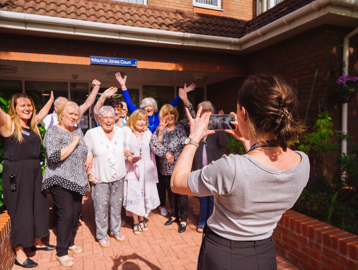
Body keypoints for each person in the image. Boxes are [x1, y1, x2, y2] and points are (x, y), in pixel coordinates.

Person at [171, 74, 310, 270]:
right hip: (265, 252)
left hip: (224, 254)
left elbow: (177, 182)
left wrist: (193, 137)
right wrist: (248, 142)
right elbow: (262, 173)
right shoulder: (302, 162)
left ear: (243, 114)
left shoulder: (231, 167)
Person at [0, 92, 55, 268]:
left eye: (29, 105)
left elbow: (42, 114)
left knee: (39, 207)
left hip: (34, 173)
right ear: (14, 108)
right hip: (16, 173)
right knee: (21, 212)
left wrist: (51, 101)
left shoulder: (32, 126)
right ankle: (19, 252)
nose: (27, 108)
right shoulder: (8, 123)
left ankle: (38, 241)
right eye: (22, 105)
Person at [42, 101, 88, 267]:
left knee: (75, 213)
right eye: (70, 114)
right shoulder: (53, 132)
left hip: (78, 179)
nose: (74, 117)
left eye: (76, 114)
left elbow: (84, 152)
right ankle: (61, 252)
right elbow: (53, 157)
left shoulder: (78, 131)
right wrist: (73, 142)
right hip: (59, 178)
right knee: (66, 213)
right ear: (61, 115)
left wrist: (88, 163)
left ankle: (70, 242)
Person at [150, 88, 195, 233]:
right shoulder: (159, 129)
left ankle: (183, 220)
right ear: (162, 117)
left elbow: (192, 117)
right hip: (166, 168)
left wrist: (186, 101)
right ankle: (174, 215)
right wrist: (166, 152)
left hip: (181, 167)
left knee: (182, 194)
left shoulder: (182, 125)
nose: (169, 116)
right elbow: (154, 145)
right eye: (166, 114)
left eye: (171, 113)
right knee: (171, 193)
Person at [84, 106, 126, 247]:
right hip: (100, 178)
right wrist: (90, 174)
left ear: (115, 118)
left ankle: (115, 230)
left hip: (119, 177)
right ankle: (101, 235)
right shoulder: (92, 133)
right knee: (101, 208)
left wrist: (130, 155)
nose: (108, 121)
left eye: (111, 117)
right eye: (105, 117)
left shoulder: (121, 132)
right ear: (99, 119)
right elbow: (86, 154)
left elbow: (124, 150)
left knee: (116, 206)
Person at [192, 101, 228, 233]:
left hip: (215, 171)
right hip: (200, 170)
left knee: (213, 199)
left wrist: (221, 125)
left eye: (208, 110)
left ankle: (212, 223)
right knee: (203, 199)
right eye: (202, 110)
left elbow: (224, 142)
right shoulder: (198, 127)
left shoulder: (216, 126)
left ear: (212, 113)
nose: (205, 112)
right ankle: (202, 222)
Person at [122, 110, 160, 235]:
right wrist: (128, 157)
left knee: (144, 195)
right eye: (139, 119)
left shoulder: (148, 133)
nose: (142, 122)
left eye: (144, 120)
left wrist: (161, 131)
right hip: (132, 168)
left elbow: (156, 147)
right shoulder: (126, 132)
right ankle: (135, 222)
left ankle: (142, 218)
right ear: (133, 120)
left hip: (147, 170)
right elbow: (122, 149)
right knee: (135, 195)